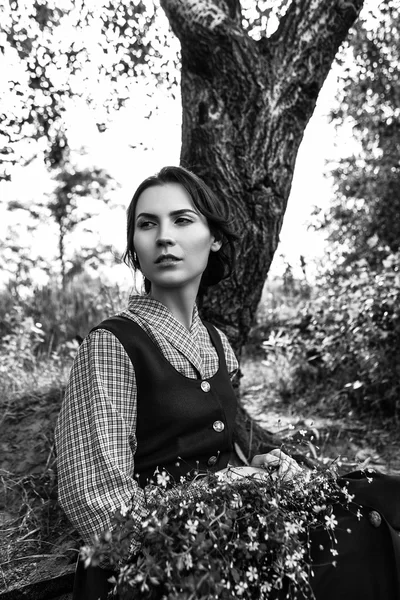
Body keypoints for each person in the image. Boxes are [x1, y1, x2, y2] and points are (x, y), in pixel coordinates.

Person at [56, 165, 400, 600]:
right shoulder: (112, 345)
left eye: (182, 220)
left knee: (371, 503)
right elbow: (98, 500)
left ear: (213, 238)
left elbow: (221, 446)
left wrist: (259, 468)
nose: (164, 236)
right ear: (135, 248)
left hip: (231, 524)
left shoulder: (216, 342)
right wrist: (219, 496)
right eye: (147, 224)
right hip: (159, 559)